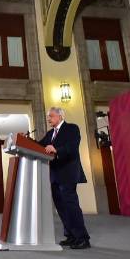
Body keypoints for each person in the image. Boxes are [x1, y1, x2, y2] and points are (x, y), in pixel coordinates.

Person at [37, 107, 90, 250]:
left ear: (60, 116)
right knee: (61, 207)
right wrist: (24, 139)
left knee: (71, 206)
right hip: (54, 175)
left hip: (68, 173)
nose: (49, 119)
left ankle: (82, 238)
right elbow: (38, 145)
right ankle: (71, 236)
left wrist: (56, 150)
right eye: (48, 117)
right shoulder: (50, 134)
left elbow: (72, 147)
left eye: (51, 116)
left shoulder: (72, 129)